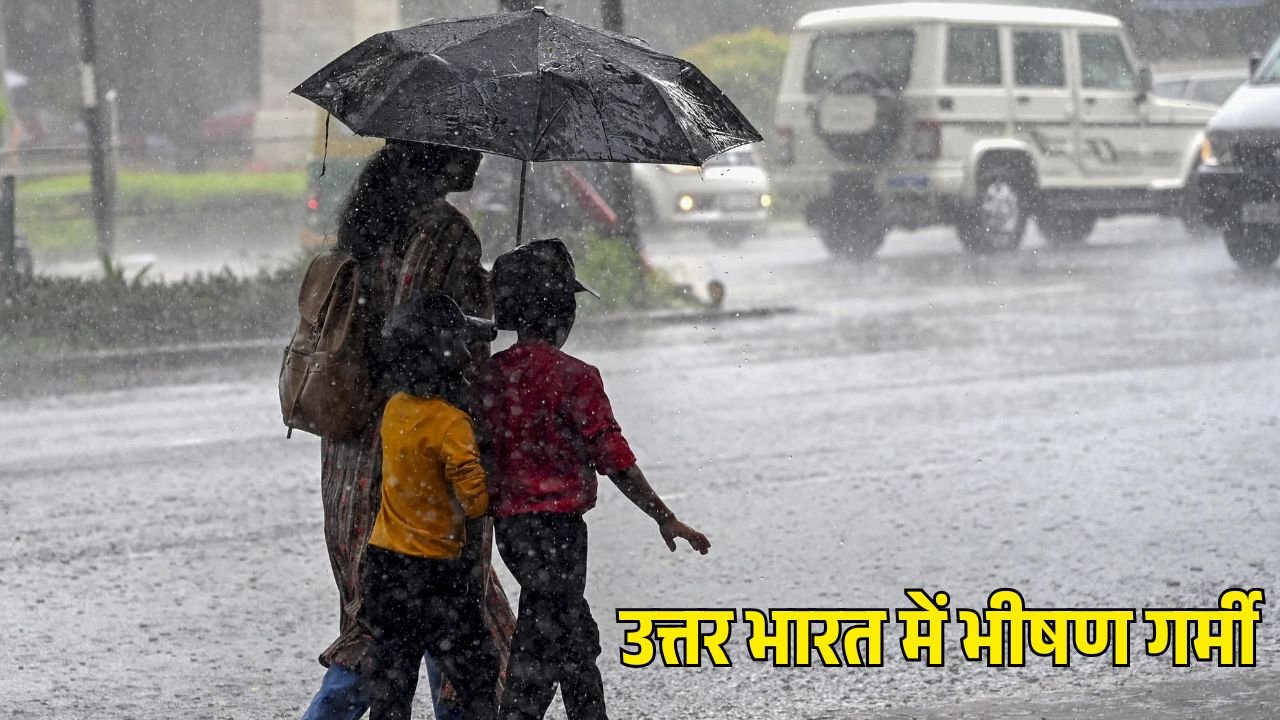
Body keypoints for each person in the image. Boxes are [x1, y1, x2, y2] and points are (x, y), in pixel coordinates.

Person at [303, 140, 514, 720]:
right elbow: (432, 332)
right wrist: (496, 298)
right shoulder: (445, 231)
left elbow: (388, 321)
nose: (480, 158)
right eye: (468, 145)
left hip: (352, 445)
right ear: (438, 154)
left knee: (378, 611)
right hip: (419, 451)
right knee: (452, 609)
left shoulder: (369, 222)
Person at [473, 239, 712, 720]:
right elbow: (614, 458)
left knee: (569, 631)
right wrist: (664, 518)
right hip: (560, 532)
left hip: (511, 533)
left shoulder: (486, 377)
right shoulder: (576, 377)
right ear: (563, 311)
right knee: (544, 639)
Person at [362, 291, 501, 720]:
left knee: (392, 682)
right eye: (461, 343)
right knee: (477, 672)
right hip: (438, 574)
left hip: (384, 567)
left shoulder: (394, 410)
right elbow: (476, 501)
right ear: (442, 355)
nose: (469, 351)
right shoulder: (452, 424)